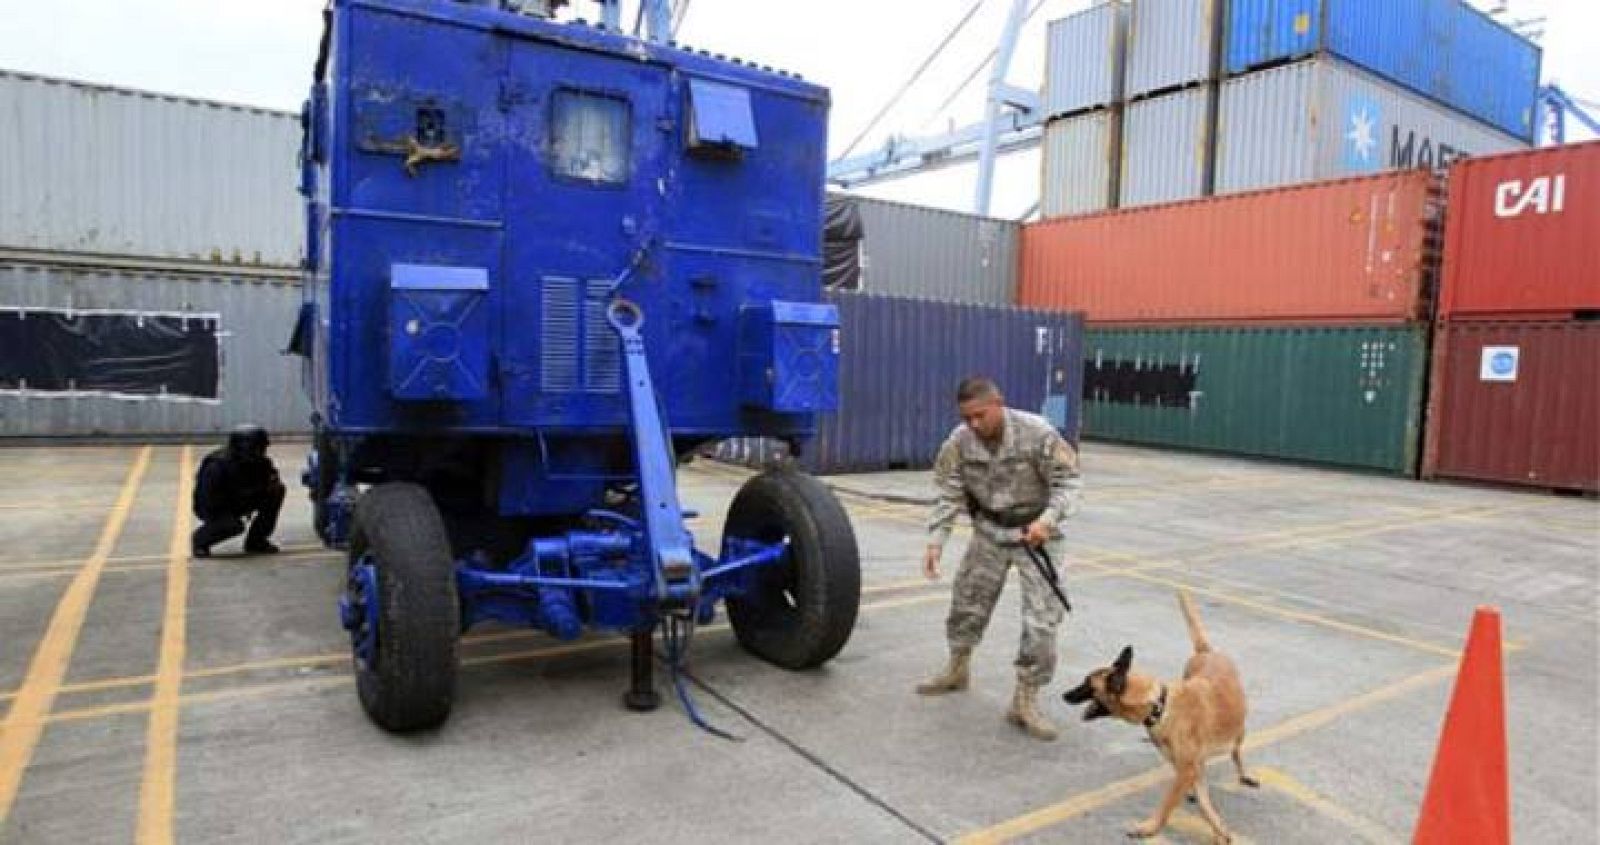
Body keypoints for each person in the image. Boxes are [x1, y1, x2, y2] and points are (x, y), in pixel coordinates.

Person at [917, 377, 1083, 741]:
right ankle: (957, 669)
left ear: (998, 404)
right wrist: (936, 542)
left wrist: (1047, 521)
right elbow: (948, 492)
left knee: (1042, 622)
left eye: (980, 415)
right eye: (967, 417)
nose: (974, 424)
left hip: (1036, 535)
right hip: (989, 532)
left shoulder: (1037, 434)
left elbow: (1069, 482)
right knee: (966, 604)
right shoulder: (959, 442)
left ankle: (1025, 698)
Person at [191, 424, 285, 558]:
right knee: (233, 526)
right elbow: (209, 500)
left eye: (262, 448)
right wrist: (245, 497)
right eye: (256, 448)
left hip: (242, 499)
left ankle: (256, 541)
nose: (261, 452)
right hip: (215, 507)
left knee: (277, 492)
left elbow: (270, 479)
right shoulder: (218, 466)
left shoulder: (261, 462)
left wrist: (269, 486)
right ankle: (200, 540)